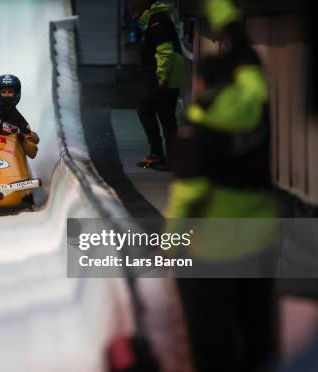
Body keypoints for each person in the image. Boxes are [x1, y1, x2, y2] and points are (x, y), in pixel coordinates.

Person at [166, 0, 278, 371]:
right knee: (256, 328)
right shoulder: (255, 98)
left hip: (212, 250)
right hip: (261, 240)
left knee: (211, 335)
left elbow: (189, 194)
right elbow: (243, 48)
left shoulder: (198, 131)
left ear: (201, 85)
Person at [130, 0, 187, 169]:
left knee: (145, 110)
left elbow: (165, 52)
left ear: (141, 9)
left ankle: (158, 154)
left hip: (163, 79)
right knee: (166, 117)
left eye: (134, 12)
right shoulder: (156, 20)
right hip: (166, 78)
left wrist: (161, 79)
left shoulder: (157, 22)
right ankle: (170, 158)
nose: (133, 17)